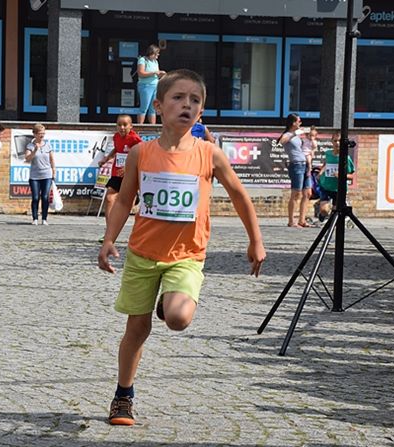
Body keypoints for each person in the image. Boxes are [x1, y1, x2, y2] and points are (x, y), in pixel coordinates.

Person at [98, 69, 266, 426]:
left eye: (195, 100)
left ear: (201, 112)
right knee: (136, 329)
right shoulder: (141, 153)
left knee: (177, 318)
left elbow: (238, 195)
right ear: (158, 106)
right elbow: (125, 199)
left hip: (186, 256)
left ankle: (168, 300)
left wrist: (256, 240)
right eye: (178, 98)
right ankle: (123, 395)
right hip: (143, 255)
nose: (186, 105)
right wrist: (109, 240)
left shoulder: (210, 154)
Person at [97, 114, 142, 224]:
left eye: (125, 125)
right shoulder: (116, 137)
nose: (122, 127)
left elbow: (141, 154)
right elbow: (116, 149)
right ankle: (109, 229)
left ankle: (135, 196)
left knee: (126, 203)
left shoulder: (134, 139)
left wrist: (128, 167)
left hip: (129, 174)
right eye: (119, 125)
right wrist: (106, 159)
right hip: (116, 173)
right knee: (109, 198)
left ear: (131, 126)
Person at [279, 113, 311, 228]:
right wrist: (295, 133)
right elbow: (281, 141)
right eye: (299, 121)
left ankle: (302, 220)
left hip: (305, 164)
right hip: (296, 165)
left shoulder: (298, 137)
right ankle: (291, 221)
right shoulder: (288, 134)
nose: (300, 123)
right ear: (293, 123)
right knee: (296, 193)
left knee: (307, 193)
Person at [317, 131, 355, 223]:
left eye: (339, 141)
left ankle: (329, 231)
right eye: (335, 141)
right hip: (326, 186)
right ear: (332, 141)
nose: (337, 143)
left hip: (338, 189)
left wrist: (341, 175)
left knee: (335, 215)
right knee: (324, 210)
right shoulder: (328, 153)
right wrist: (320, 172)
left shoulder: (346, 158)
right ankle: (322, 214)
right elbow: (326, 164)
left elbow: (351, 176)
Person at [24, 123, 55, 225]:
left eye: (43, 133)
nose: (42, 135)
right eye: (40, 133)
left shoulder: (48, 145)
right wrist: (35, 150)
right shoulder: (30, 146)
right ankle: (35, 218)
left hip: (47, 175)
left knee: (45, 197)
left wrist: (53, 171)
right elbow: (27, 159)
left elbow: (51, 159)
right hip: (35, 176)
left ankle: (44, 218)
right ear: (35, 134)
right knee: (36, 197)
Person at [136, 44, 165, 125]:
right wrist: (154, 73)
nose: (158, 55)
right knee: (144, 107)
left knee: (153, 108)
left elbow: (157, 73)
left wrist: (160, 74)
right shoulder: (143, 60)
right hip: (146, 86)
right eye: (157, 53)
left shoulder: (155, 62)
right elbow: (141, 73)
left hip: (155, 86)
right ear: (152, 53)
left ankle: (153, 128)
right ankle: (140, 127)